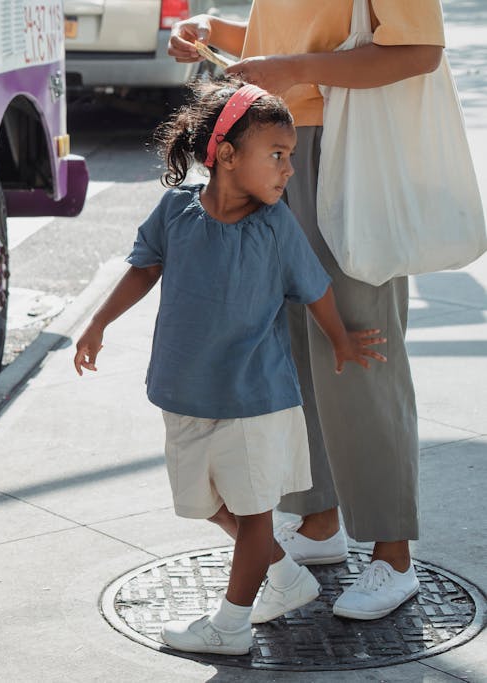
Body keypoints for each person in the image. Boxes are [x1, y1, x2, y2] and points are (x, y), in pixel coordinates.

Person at [74, 78, 386, 655]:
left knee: (254, 513)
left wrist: (340, 339)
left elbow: (314, 288)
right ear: (225, 156)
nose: (288, 169)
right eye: (277, 155)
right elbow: (144, 268)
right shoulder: (175, 212)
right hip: (183, 393)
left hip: (255, 397)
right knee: (204, 503)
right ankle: (286, 577)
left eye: (290, 157)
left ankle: (232, 624)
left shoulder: (275, 225)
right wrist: (98, 323)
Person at [168, 0, 445, 620]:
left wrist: (289, 67)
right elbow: (297, 34)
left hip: (350, 144)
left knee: (357, 335)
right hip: (282, 137)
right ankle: (318, 521)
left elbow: (418, 49)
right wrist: (216, 32)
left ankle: (393, 553)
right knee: (291, 335)